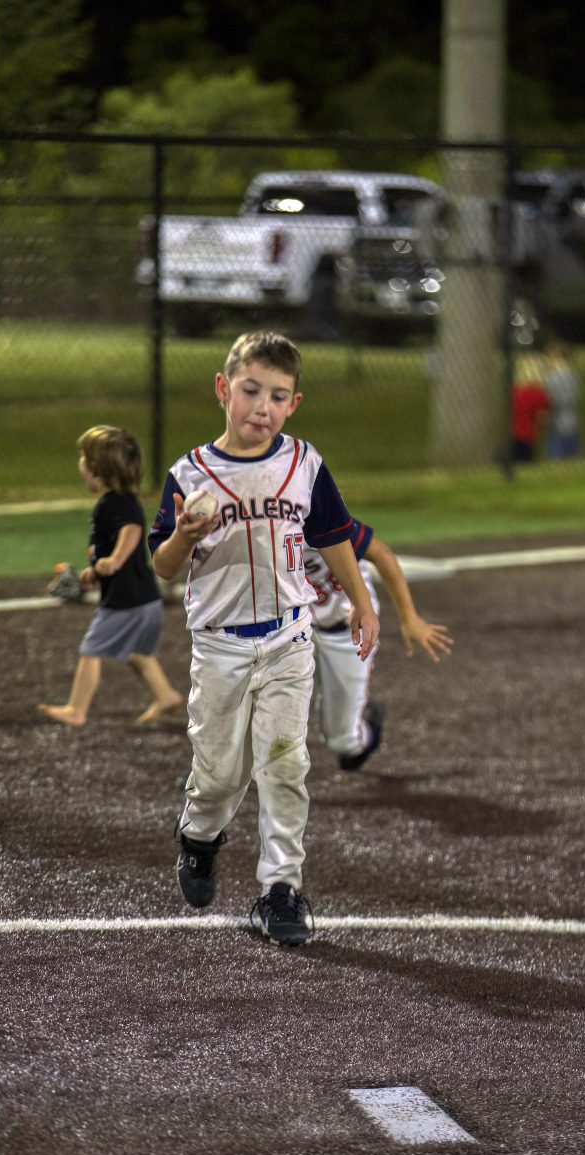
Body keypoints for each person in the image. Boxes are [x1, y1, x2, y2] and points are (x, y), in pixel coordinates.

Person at [148, 331, 379, 948]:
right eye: (251, 391)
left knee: (285, 765)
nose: (262, 407)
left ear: (294, 404)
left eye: (278, 396)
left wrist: (361, 602)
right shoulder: (191, 474)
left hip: (289, 639)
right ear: (223, 389)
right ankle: (200, 836)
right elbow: (163, 567)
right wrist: (184, 535)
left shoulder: (304, 464)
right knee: (221, 774)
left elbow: (333, 534)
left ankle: (281, 888)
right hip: (220, 646)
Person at [38, 425, 182, 728]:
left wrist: (114, 560)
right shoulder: (123, 501)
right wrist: (96, 571)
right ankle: (165, 695)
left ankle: (76, 710)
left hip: (124, 601)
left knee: (91, 650)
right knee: (136, 652)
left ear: (97, 468)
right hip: (144, 598)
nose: (80, 464)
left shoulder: (113, 504)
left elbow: (132, 530)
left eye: (84, 457)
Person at [305, 519, 453, 770]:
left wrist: (409, 617)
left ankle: (369, 725)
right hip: (292, 628)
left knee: (345, 743)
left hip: (347, 629)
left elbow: (381, 553)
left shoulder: (317, 509)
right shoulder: (261, 518)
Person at [542, 339, 581, 459]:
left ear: (560, 360)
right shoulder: (572, 376)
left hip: (558, 423)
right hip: (569, 422)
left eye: (550, 358)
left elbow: (554, 398)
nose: (547, 362)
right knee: (572, 453)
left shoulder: (553, 378)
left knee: (558, 454)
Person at [510, 354, 550, 463]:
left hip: (512, 431)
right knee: (526, 460)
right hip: (528, 433)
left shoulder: (515, 391)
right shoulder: (539, 393)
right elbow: (543, 415)